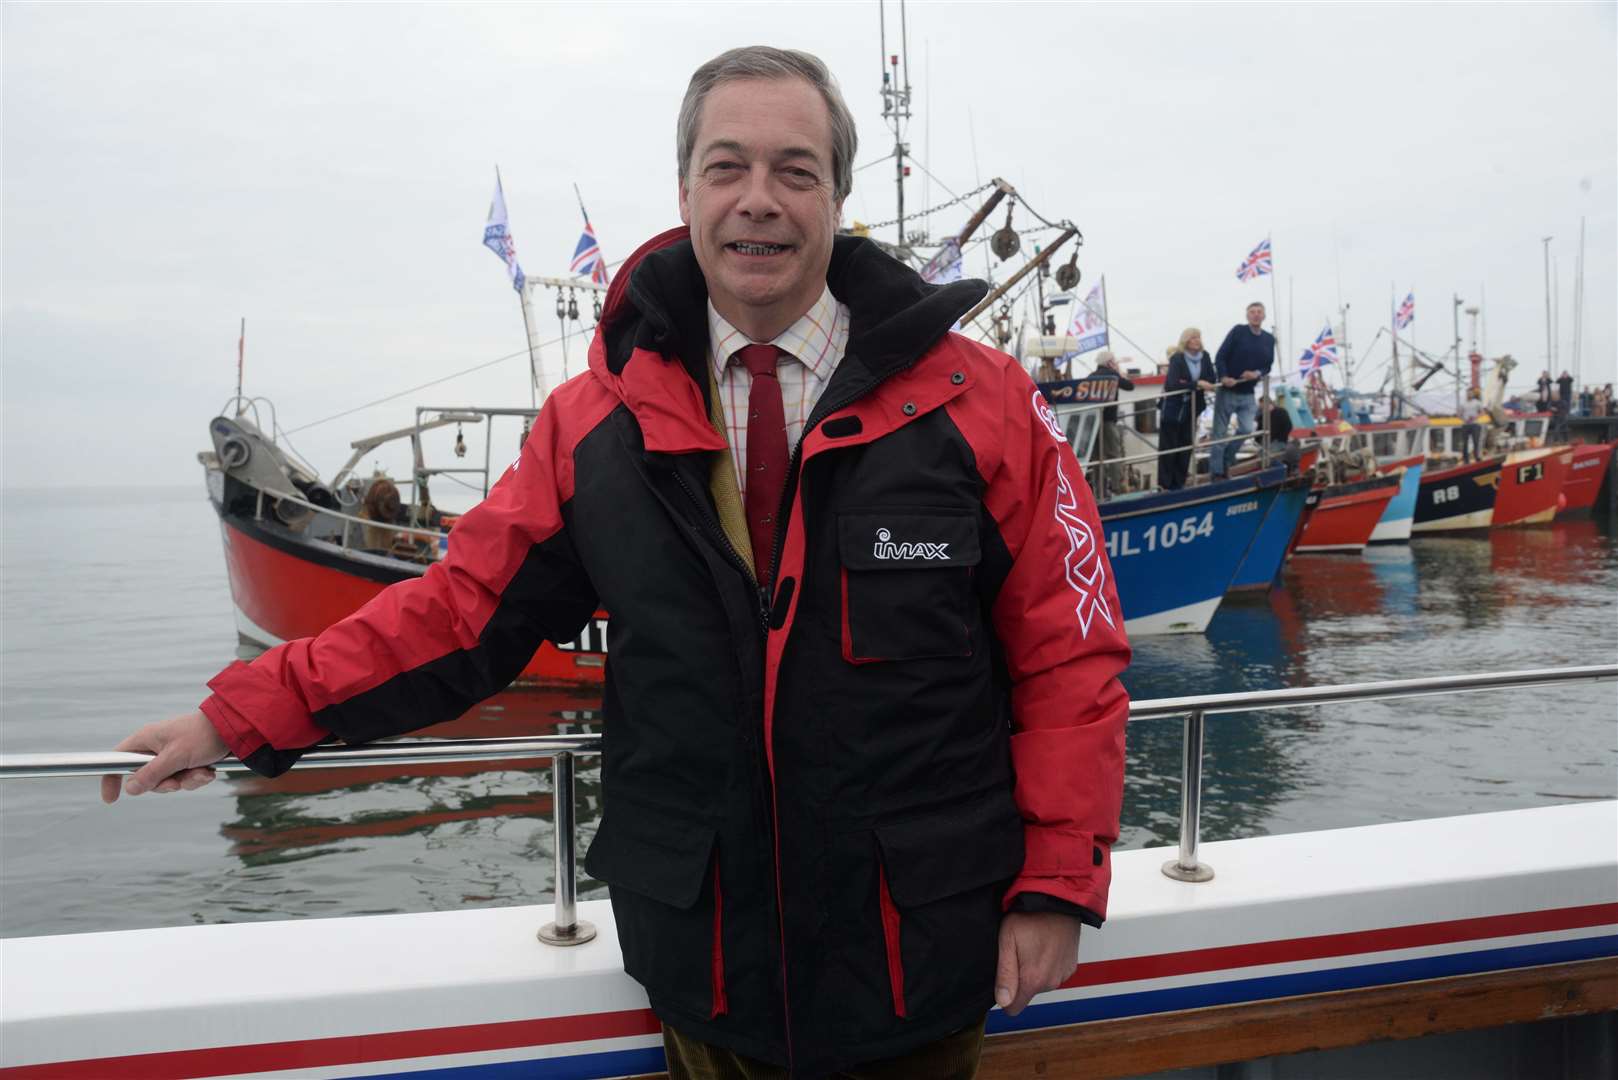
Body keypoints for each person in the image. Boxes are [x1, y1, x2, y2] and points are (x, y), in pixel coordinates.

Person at [99, 46, 1131, 1080]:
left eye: (794, 170)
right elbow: (460, 616)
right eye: (726, 167)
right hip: (704, 966)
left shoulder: (984, 402)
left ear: (837, 196)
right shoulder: (593, 426)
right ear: (684, 189)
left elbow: (1068, 655)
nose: (757, 201)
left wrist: (1052, 885)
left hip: (923, 958)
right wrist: (238, 715)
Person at [1210, 301, 1276, 478]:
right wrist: (1223, 377)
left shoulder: (1269, 339)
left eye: (1259, 312)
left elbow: (1267, 366)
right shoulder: (1238, 331)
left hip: (1248, 393)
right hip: (1228, 390)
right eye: (1252, 312)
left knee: (1247, 429)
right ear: (1247, 316)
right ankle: (1217, 473)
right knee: (1219, 433)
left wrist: (1256, 373)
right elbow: (1220, 356)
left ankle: (1227, 458)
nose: (1255, 315)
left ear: (1264, 316)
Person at [1157, 328, 1215, 490]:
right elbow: (1173, 383)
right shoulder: (1178, 358)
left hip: (1192, 408)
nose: (1197, 340)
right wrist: (1196, 384)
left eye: (1198, 337)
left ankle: (1179, 483)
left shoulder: (1205, 357)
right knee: (1169, 447)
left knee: (1186, 446)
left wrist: (1193, 384)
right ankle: (1165, 484)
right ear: (1186, 341)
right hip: (1173, 409)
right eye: (1193, 337)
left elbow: (1211, 378)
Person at [1095, 350, 1136, 495]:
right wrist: (1119, 372)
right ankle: (1117, 487)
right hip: (1108, 421)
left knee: (1097, 458)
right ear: (1110, 362)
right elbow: (1130, 386)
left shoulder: (1091, 377)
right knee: (1114, 454)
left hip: (1094, 424)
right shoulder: (1112, 375)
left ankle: (1098, 489)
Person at [1459, 387, 1483, 463]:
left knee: (1476, 441)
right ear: (1466, 394)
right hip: (1465, 424)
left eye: (1471, 393)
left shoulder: (1477, 402)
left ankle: (1477, 457)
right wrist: (1464, 419)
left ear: (1473, 394)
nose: (1469, 394)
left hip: (1475, 424)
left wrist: (1475, 417)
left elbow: (1482, 412)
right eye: (1468, 393)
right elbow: (1459, 414)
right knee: (1464, 442)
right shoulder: (1462, 403)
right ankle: (1466, 459)